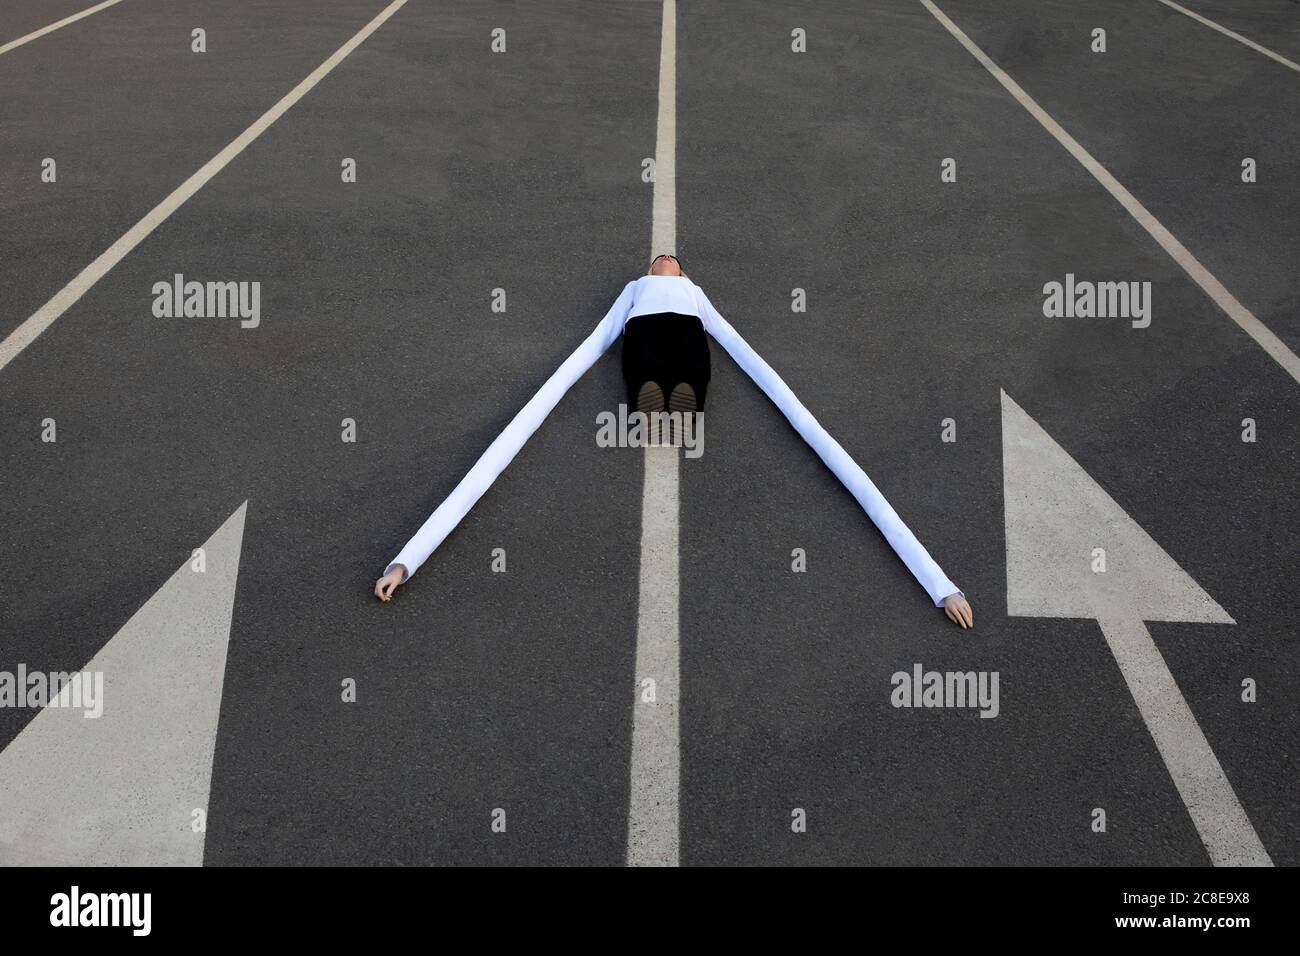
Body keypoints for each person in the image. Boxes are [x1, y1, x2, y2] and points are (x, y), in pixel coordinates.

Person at [374, 254, 974, 629]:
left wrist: (941, 585)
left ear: (683, 274)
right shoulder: (633, 290)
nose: (665, 258)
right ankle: (654, 400)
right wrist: (404, 561)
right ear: (652, 272)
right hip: (645, 336)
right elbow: (589, 349)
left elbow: (750, 358)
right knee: (646, 366)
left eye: (673, 259)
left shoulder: (696, 296)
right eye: (660, 257)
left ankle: (676, 399)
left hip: (685, 335)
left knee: (689, 366)